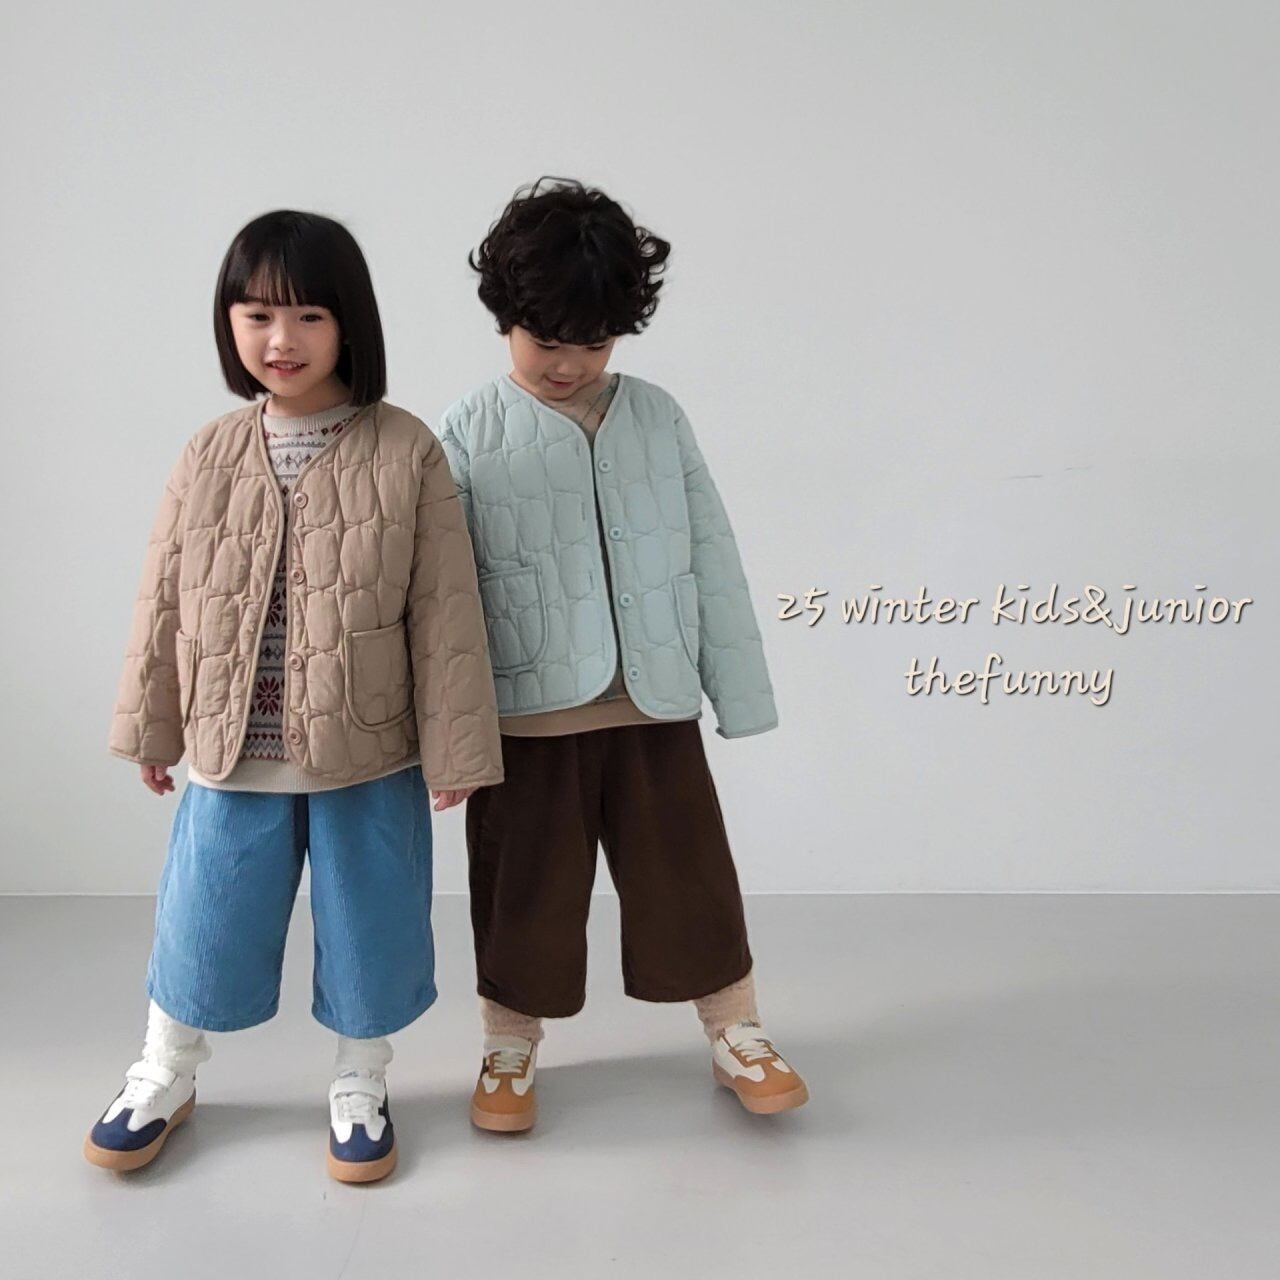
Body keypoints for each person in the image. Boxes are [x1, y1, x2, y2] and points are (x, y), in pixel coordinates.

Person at [86, 210, 502, 1181]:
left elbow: (446, 611)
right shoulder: (207, 453)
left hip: (368, 744)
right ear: (228, 323)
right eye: (258, 314)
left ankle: (361, 1079)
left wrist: (456, 750)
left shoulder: (406, 449)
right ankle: (164, 1069)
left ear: (349, 322)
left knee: (370, 924)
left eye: (310, 315)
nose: (282, 339)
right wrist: (152, 726)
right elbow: (162, 598)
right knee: (203, 919)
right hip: (232, 741)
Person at [440, 179, 809, 1133]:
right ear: (505, 315)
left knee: (691, 876)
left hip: (653, 703)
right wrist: (447, 734)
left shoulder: (658, 418)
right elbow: (441, 601)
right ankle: (508, 1045)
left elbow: (711, 553)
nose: (569, 364)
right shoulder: (467, 433)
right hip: (527, 719)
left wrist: (740, 694)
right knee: (522, 890)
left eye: (595, 342)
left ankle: (736, 1030)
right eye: (546, 339)